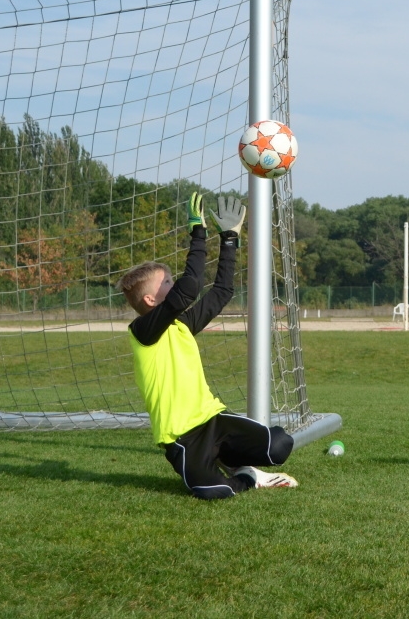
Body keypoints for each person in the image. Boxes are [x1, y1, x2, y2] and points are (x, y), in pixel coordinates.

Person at [116, 193, 297, 499]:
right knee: (214, 491)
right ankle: (247, 477)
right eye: (167, 283)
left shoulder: (181, 325)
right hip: (182, 439)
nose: (174, 286)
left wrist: (229, 239)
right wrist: (197, 232)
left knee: (279, 445)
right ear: (150, 300)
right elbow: (190, 288)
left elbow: (222, 290)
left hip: (214, 421)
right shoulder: (142, 332)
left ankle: (235, 461)